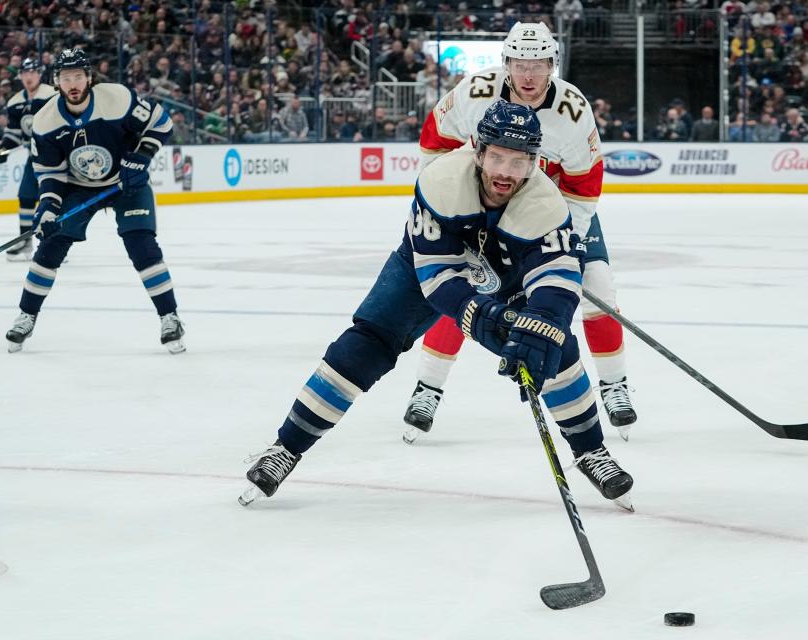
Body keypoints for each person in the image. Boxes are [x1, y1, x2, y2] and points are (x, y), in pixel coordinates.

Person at [239, 101, 634, 510]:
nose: (504, 172)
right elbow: (437, 280)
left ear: (534, 162)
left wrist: (545, 322)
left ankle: (591, 451)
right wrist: (481, 316)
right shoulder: (441, 181)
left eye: (518, 162)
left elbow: (559, 278)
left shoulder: (547, 205)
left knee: (554, 347)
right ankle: (286, 447)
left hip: (507, 271)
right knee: (366, 343)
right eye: (497, 157)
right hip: (429, 268)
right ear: (479, 151)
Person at [402, 22, 637, 444]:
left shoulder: (572, 109)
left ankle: (614, 385)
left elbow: (584, 183)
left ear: (553, 64)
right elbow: (434, 140)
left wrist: (566, 243)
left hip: (554, 211)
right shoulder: (475, 93)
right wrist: (447, 205)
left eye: (539, 64)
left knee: (597, 283)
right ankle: (427, 388)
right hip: (484, 207)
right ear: (506, 63)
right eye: (520, 63)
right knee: (464, 288)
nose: (529, 75)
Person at [3, 49, 184, 354]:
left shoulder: (118, 98)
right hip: (78, 188)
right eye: (65, 78)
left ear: (89, 78)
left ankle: (170, 317)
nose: (72, 83)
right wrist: (47, 207)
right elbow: (50, 175)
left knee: (141, 243)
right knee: (50, 246)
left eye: (77, 76)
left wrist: (140, 158)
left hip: (125, 183)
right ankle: (26, 315)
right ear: (57, 82)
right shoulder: (46, 121)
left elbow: (162, 123)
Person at [0, 58, 57, 261]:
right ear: (20, 76)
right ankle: (25, 241)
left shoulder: (52, 95)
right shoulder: (15, 102)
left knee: (54, 198)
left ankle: (55, 243)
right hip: (34, 158)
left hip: (57, 158)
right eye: (25, 73)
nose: (28, 77)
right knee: (26, 196)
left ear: (40, 74)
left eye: (33, 72)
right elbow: (13, 133)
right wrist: (3, 148)